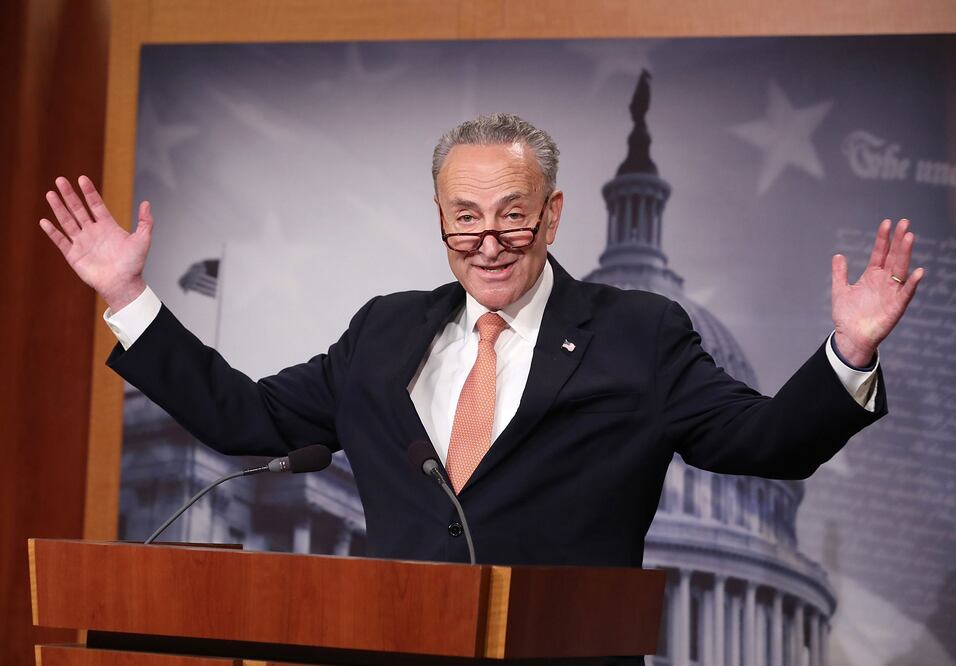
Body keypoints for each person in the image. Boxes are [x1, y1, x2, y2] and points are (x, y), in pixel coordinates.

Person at [40, 113, 922, 568]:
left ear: (554, 215)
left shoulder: (639, 335)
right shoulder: (386, 331)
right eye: (465, 217)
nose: (489, 239)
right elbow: (246, 418)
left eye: (512, 214)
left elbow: (766, 441)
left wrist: (847, 352)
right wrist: (128, 295)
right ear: (440, 220)